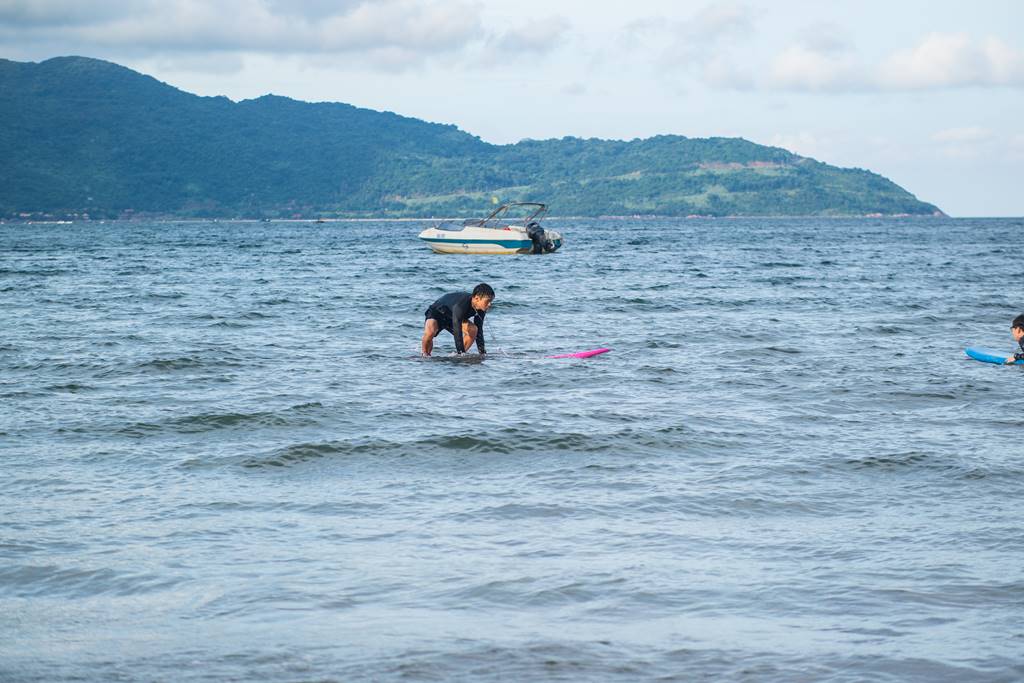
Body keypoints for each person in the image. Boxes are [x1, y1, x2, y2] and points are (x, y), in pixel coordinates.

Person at [421, 283, 494, 356]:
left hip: (454, 317)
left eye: (491, 301)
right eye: (488, 301)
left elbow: (479, 331)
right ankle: (424, 355)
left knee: (474, 329)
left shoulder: (481, 308)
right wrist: (460, 352)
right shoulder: (461, 305)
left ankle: (456, 355)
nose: (490, 304)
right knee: (431, 331)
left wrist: (482, 353)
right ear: (477, 298)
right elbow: (457, 332)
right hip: (437, 312)